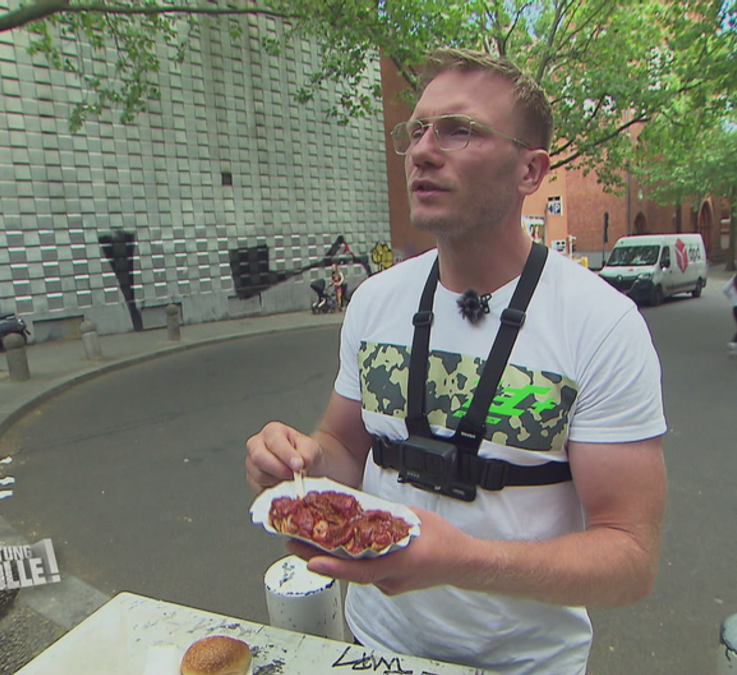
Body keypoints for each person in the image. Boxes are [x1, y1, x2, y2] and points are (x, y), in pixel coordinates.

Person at [246, 48, 667, 675]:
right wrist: (297, 458)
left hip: (523, 664)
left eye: (459, 129)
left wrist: (463, 558)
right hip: (372, 644)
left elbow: (629, 559)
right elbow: (343, 447)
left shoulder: (602, 324)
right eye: (417, 129)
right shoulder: (375, 300)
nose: (422, 149)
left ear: (531, 170)